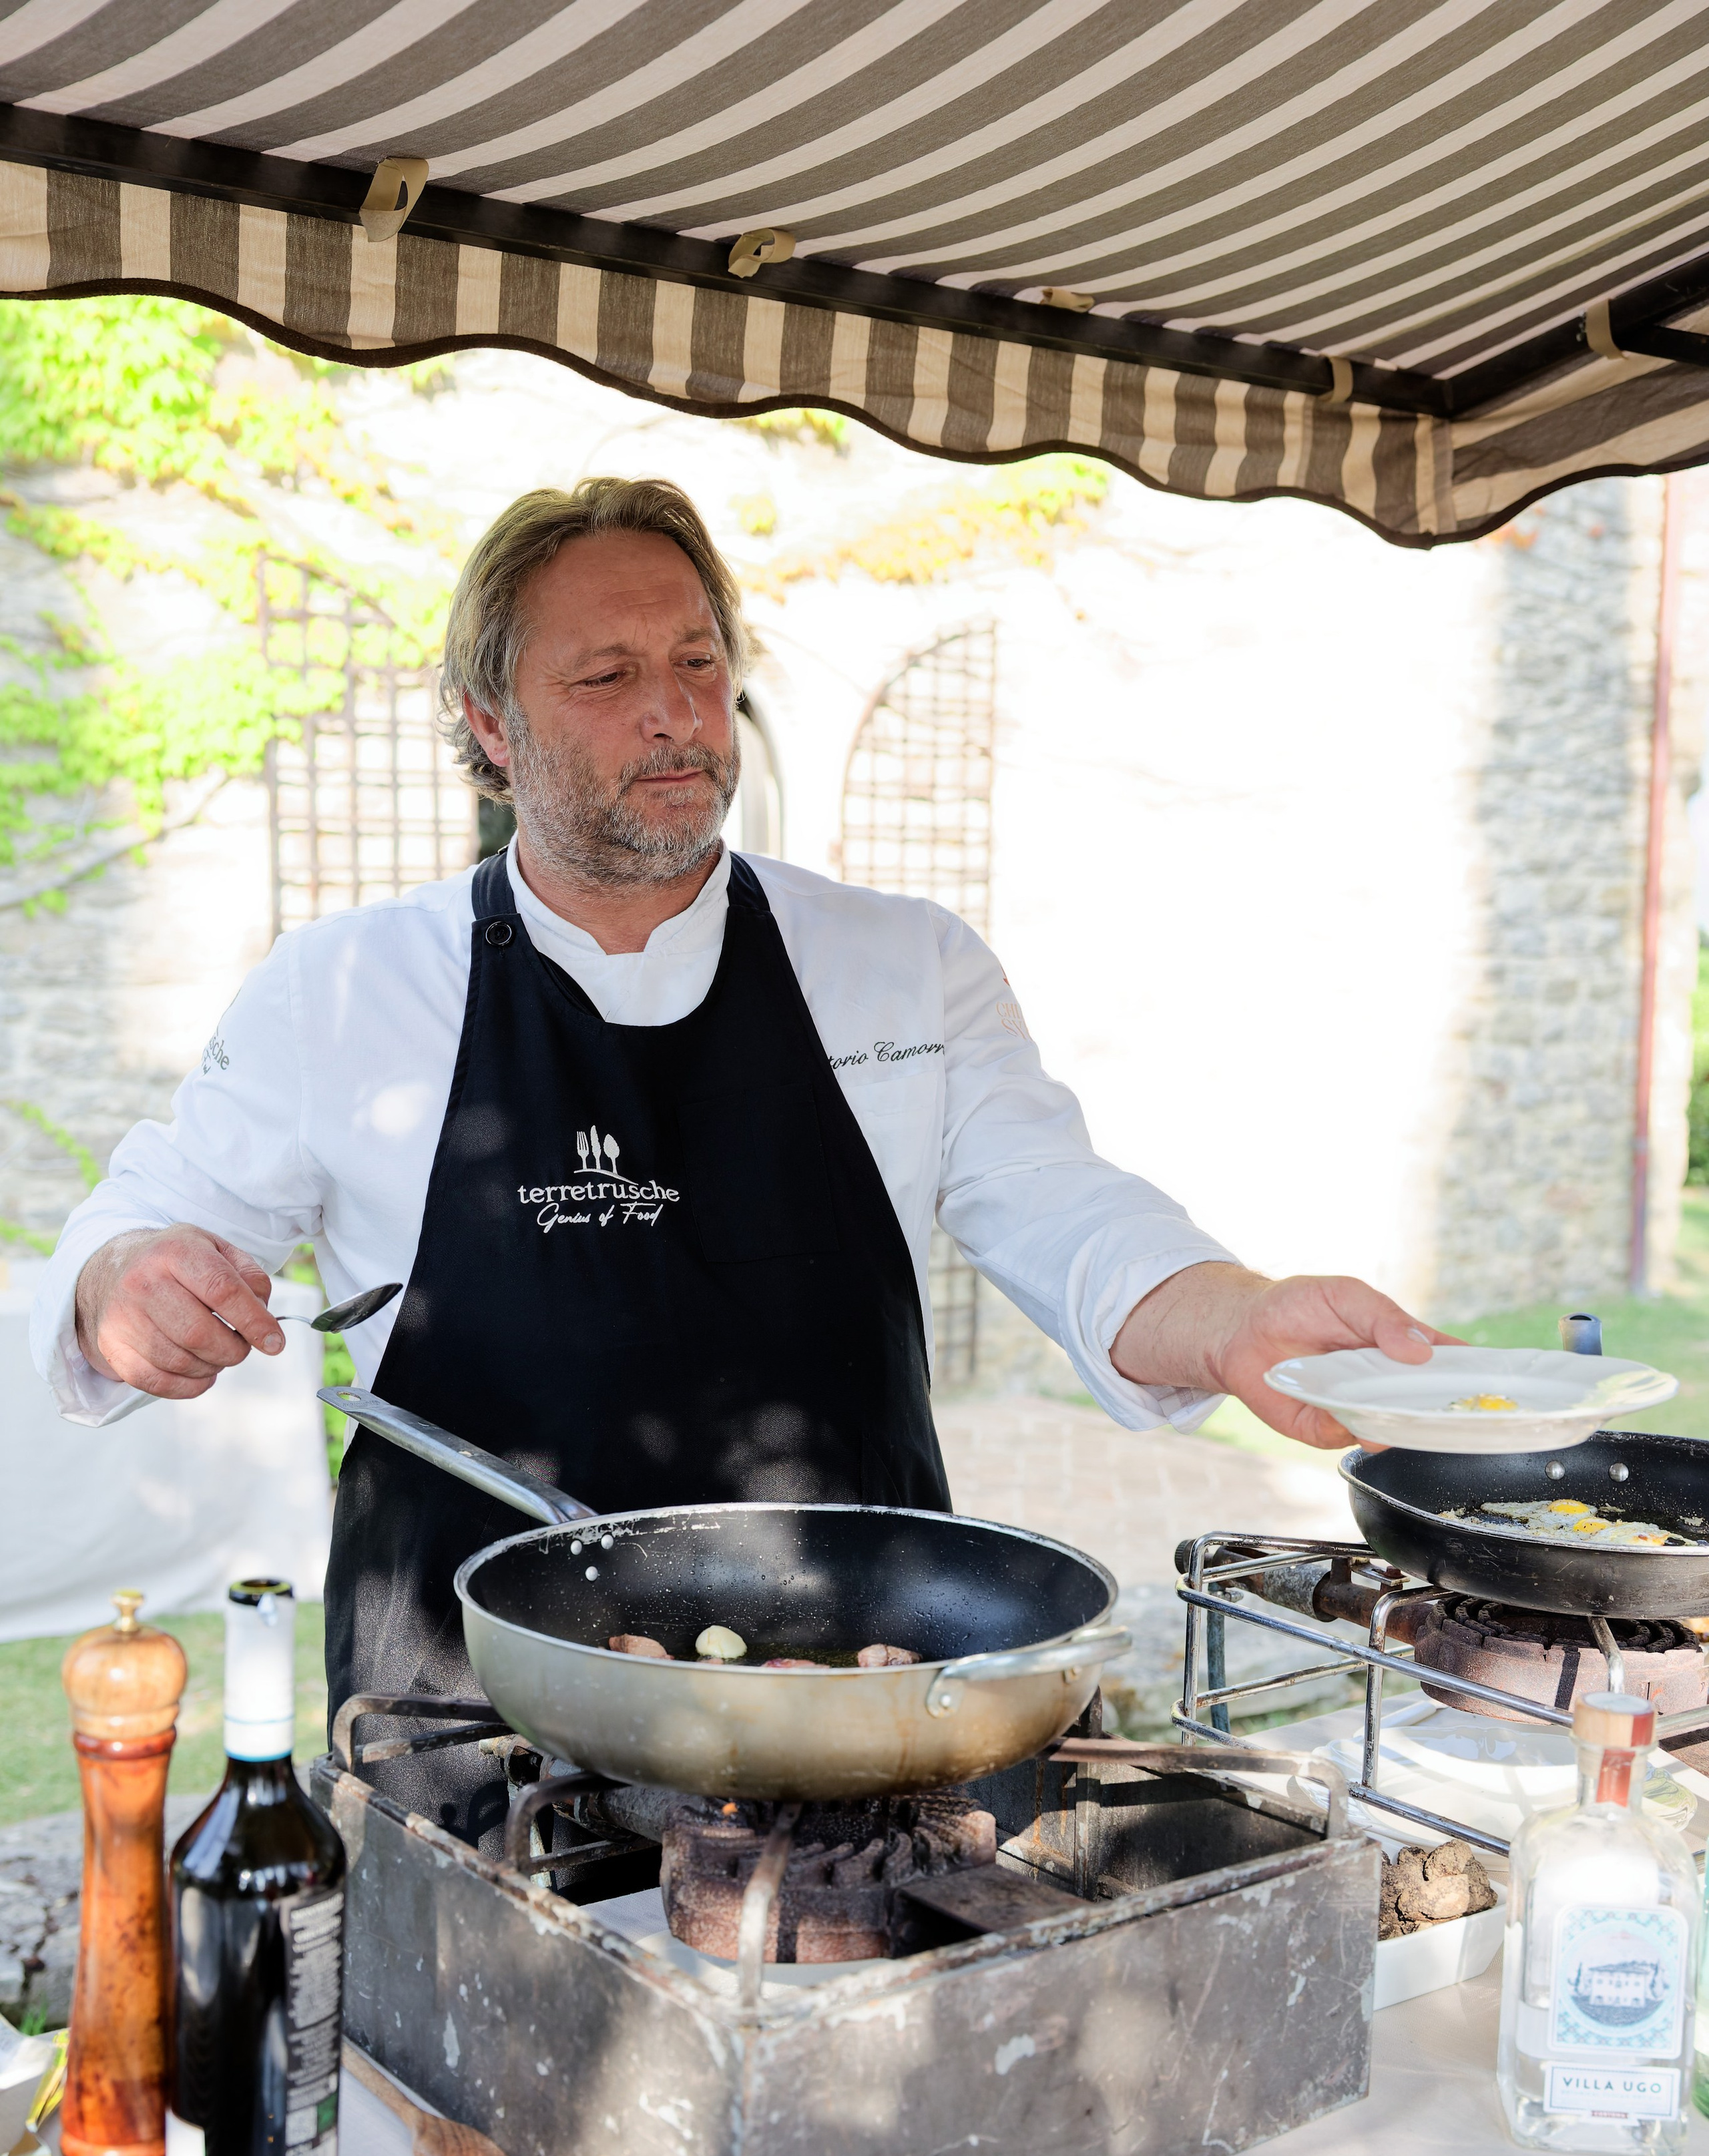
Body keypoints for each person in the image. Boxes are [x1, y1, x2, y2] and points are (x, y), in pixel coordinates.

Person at [34, 477, 1445, 1712]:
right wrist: (125, 1289)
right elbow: (141, 1230)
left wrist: (1238, 1320)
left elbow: (1068, 1217)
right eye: (605, 677)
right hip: (472, 1705)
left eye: (697, 662)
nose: (673, 714)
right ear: (488, 722)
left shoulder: (903, 966)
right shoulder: (340, 991)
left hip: (849, 1692)